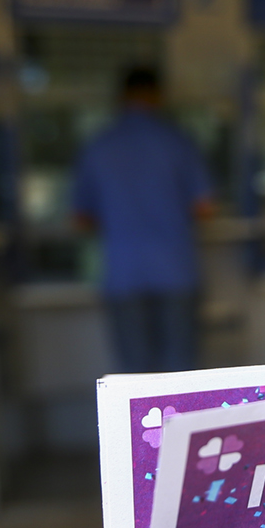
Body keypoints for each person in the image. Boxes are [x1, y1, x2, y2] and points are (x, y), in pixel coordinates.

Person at [73, 66, 213, 373]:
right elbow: (204, 208)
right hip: (175, 268)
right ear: (158, 96)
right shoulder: (178, 141)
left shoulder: (100, 145)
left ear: (121, 97)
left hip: (123, 271)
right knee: (180, 369)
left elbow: (81, 219)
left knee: (134, 373)